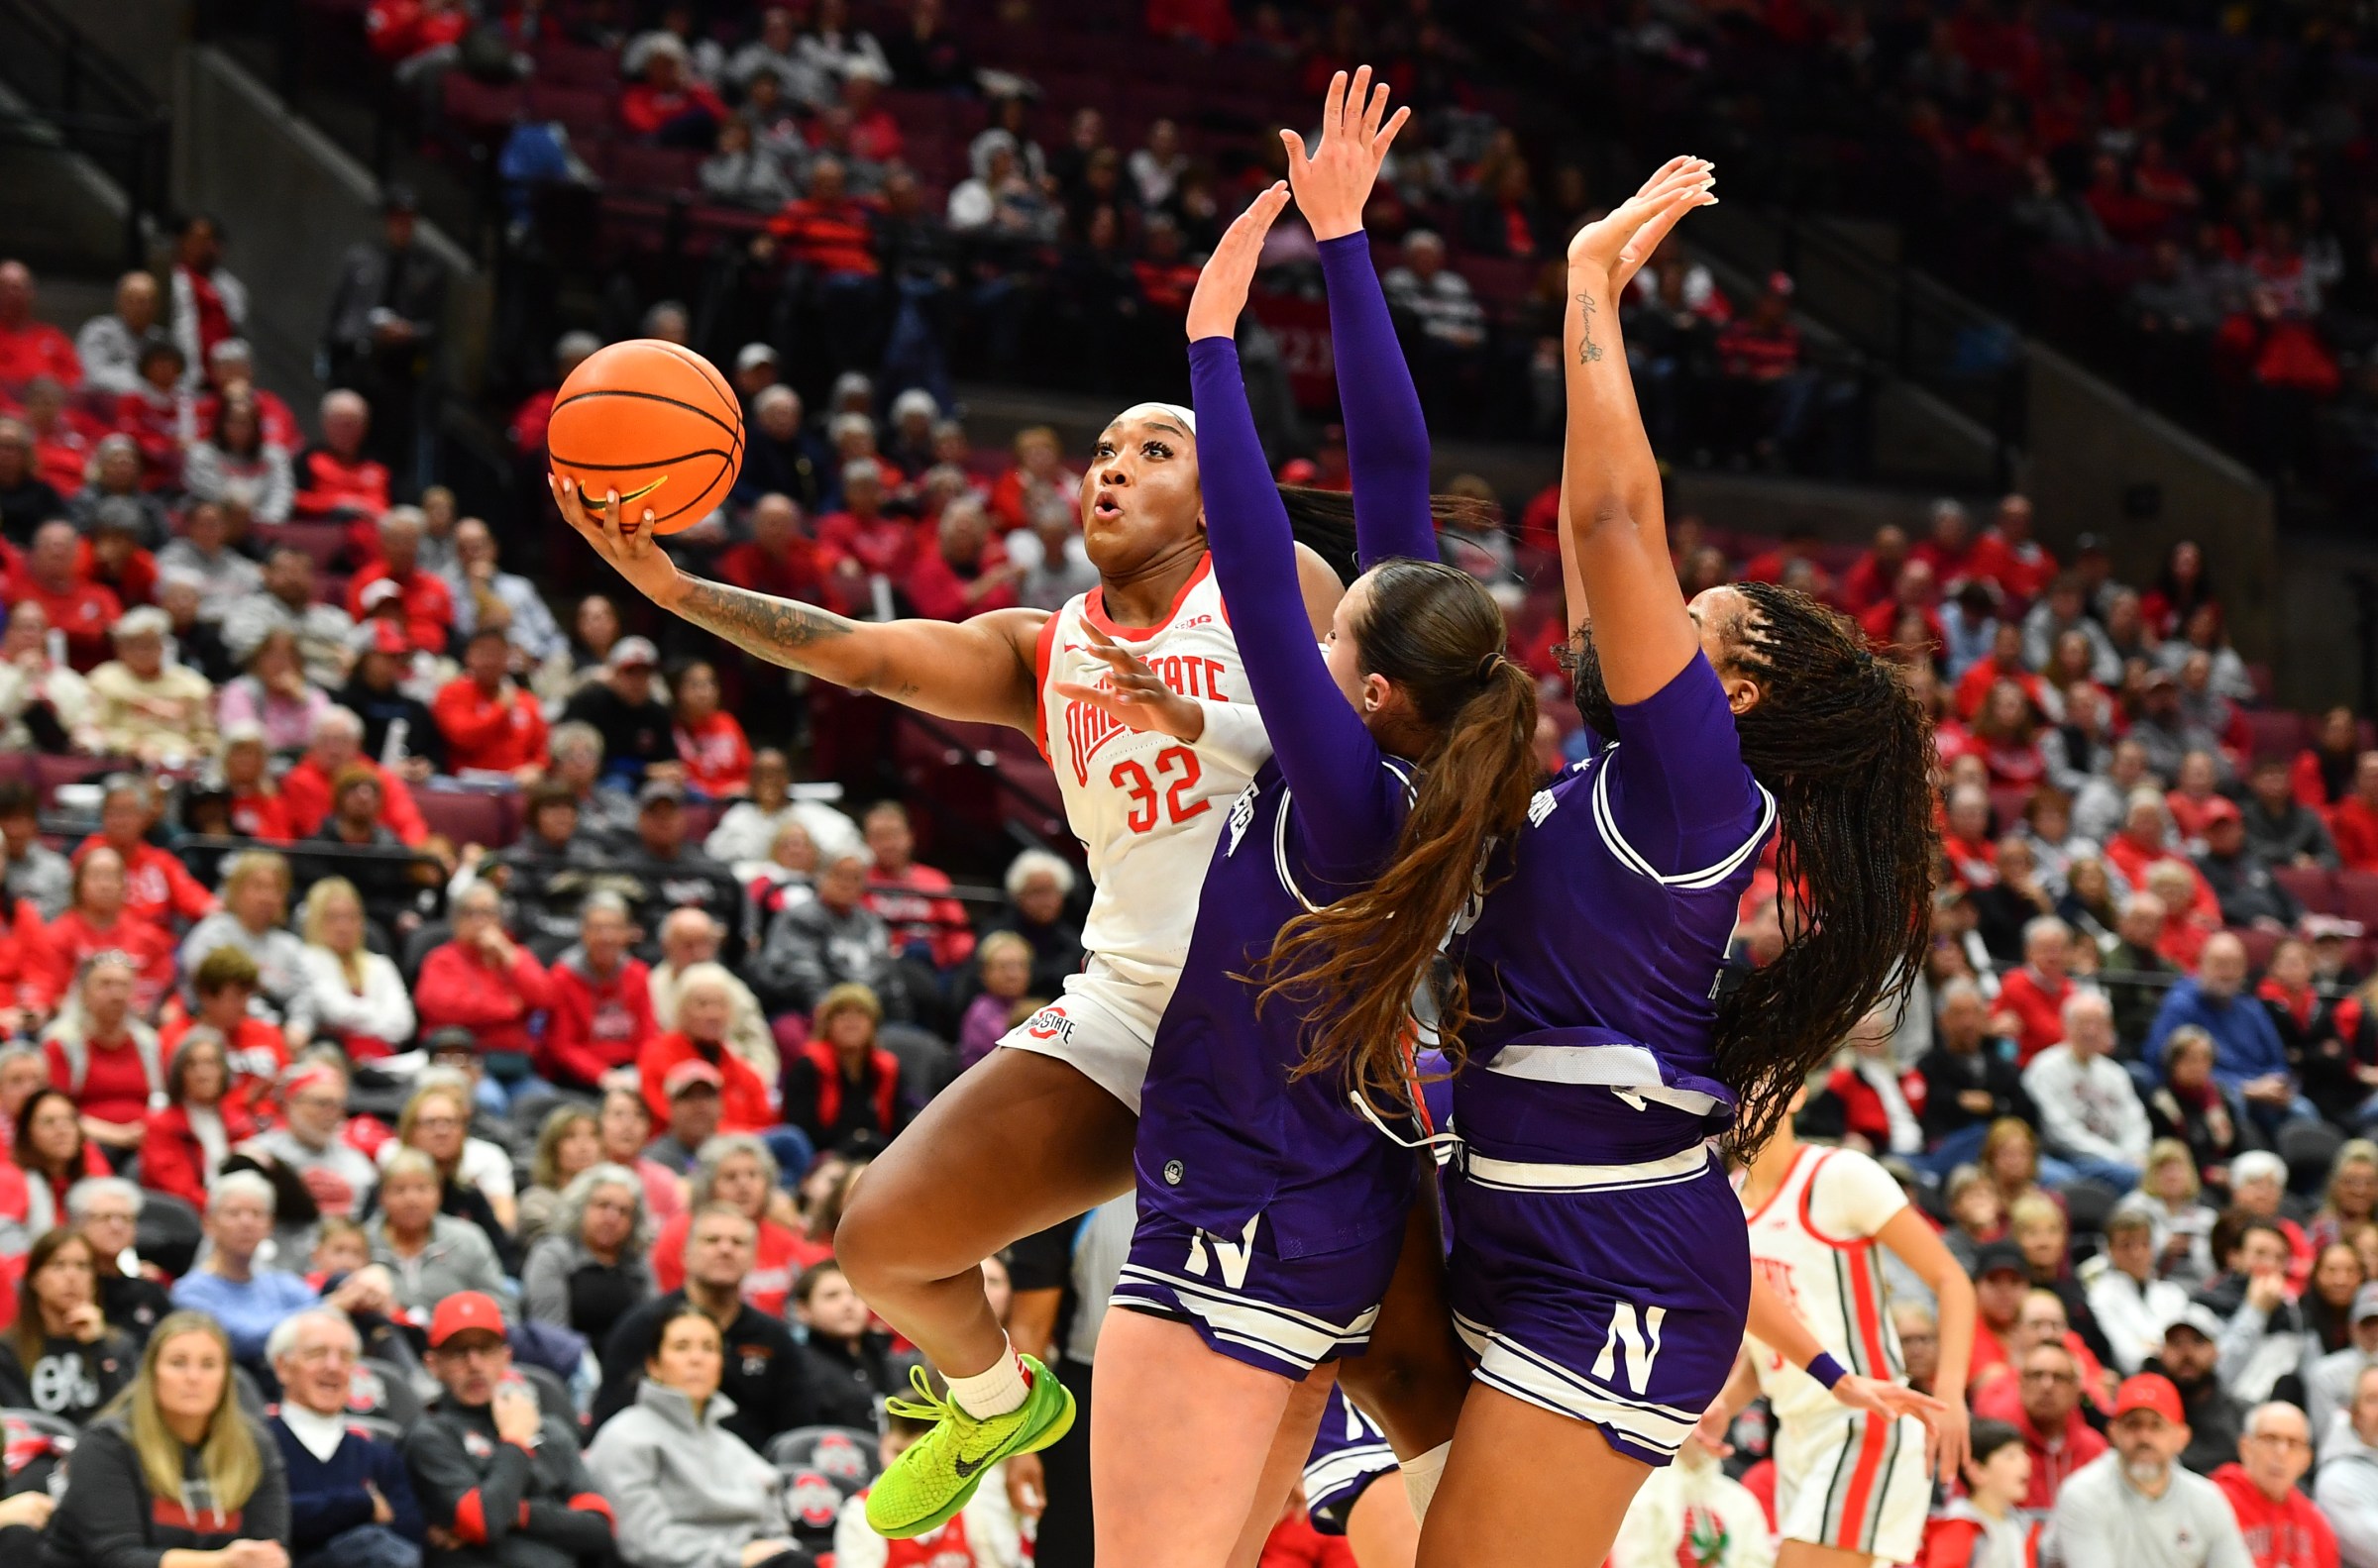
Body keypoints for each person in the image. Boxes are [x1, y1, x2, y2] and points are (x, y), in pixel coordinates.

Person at [558, 56, 1357, 1522]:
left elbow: (1349, 755)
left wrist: (1185, 693)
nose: (1113, 469)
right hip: (1132, 1004)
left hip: (1293, 1021)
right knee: (880, 1240)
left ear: (1218, 484)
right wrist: (674, 586)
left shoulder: (1275, 584)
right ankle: (999, 1400)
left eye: (1155, 448)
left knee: (1259, 1439)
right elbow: (856, 653)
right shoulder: (1036, 644)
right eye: (1104, 452)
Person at [1392, 157, 1930, 1564]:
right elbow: (1600, 526)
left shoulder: (1699, 786)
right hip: (1517, 1211)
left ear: (1733, 694)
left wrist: (1583, 282)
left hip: (1612, 1258)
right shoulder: (1620, 768)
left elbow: (1615, 526)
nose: (1654, 615)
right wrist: (1598, 310)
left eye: (1695, 620)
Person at [1720, 1081, 1975, 1567]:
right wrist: (1727, 1405)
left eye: (1758, 1086)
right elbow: (1775, 1340)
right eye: (1735, 1087)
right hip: (1795, 1434)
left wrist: (1951, 1393)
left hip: (1864, 1421)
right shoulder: (1725, 1200)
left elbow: (1952, 1279)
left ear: (1796, 1093)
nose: (1744, 1102)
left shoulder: (1839, 1176)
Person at [41, 1311, 292, 1568]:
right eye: (178, 1363)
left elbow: (269, 1549)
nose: (193, 1377)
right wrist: (221, 1563)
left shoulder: (255, 1446)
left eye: (208, 1365)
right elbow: (117, 1558)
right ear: (152, 1373)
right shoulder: (105, 1444)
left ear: (227, 1379)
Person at [402, 1291, 616, 1568]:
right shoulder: (430, 1437)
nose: (474, 1364)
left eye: (486, 1349)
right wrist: (515, 1441)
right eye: (458, 1352)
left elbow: (599, 1530)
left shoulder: (548, 1428)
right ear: (433, 1364)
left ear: (506, 1356)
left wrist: (518, 1513)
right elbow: (486, 1521)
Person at [583, 1305, 803, 1568]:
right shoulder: (624, 1437)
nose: (697, 1359)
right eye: (682, 1347)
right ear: (654, 1365)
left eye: (709, 1348)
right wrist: (735, 1559)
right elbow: (642, 1541)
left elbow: (777, 1533)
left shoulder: (736, 1448)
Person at [591, 1204, 816, 1449]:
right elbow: (610, 1422)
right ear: (685, 1255)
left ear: (753, 1260)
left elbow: (798, 1435)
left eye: (738, 1242)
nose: (725, 1249)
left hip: (755, 1473)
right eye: (712, 1240)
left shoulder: (775, 1338)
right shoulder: (642, 1327)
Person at [267, 1307, 426, 1568]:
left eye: (345, 1357)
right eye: (317, 1354)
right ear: (283, 1367)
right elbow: (269, 1521)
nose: (333, 1367)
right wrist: (361, 1504)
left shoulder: (380, 1453)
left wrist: (313, 1516)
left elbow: (409, 1534)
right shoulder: (257, 1443)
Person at [2047, 1373, 2249, 1567]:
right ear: (2113, 1433)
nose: (2144, 1437)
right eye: (2132, 1425)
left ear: (2182, 1437)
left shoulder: (2207, 1499)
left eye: (2156, 1426)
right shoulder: (2084, 1494)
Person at [415, 885, 556, 1104]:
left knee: (546, 1103)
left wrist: (507, 953)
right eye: (471, 913)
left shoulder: (513, 956)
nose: (480, 921)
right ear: (456, 920)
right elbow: (445, 1007)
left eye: (488, 913)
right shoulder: (441, 960)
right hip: (465, 1065)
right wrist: (508, 1008)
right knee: (489, 1100)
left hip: (515, 1064)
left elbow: (545, 997)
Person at [836, 1408, 1026, 1568]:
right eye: (897, 1452)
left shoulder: (971, 1500)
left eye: (916, 1459)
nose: (904, 1468)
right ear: (883, 1444)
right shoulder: (859, 1512)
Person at [169, 1170, 322, 1365]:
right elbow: (240, 1341)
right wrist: (326, 1310)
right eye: (234, 1213)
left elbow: (326, 1319)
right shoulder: (191, 1292)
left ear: (270, 1225)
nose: (246, 1223)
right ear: (209, 1223)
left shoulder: (282, 1284)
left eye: (257, 1214)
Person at [645, 1133, 806, 1315]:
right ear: (708, 1186)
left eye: (753, 1175)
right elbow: (668, 1303)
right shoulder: (678, 1234)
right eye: (730, 1177)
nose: (744, 1185)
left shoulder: (783, 1234)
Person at [180, 851, 317, 1049]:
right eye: (259, 887)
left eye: (276, 889)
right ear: (236, 891)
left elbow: (307, 993)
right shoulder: (213, 934)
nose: (267, 897)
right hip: (223, 1038)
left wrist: (299, 1027)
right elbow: (208, 990)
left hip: (281, 1039)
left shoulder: (288, 945)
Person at [0, 1226, 136, 1424]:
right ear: (34, 1279)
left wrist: (98, 1346)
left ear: (94, 1279)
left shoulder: (118, 1345)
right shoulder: (8, 1349)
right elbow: (20, 1422)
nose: (72, 1277)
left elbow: (127, 1414)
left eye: (82, 1266)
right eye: (58, 1265)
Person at [366, 1147, 512, 1327]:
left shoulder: (467, 1239)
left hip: (457, 1342)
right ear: (381, 1197)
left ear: (438, 1194)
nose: (412, 1199)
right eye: (399, 1190)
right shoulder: (361, 1242)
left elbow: (501, 1308)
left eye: (422, 1188)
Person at [2024, 992, 2152, 1192]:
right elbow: (2059, 1132)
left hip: (2120, 1158)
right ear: (2066, 1025)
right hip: (2069, 1158)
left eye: (2099, 1024)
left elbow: (2135, 1121)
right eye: (2083, 1023)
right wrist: (2118, 1158)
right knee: (2138, 1178)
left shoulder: (2115, 1073)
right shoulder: (2045, 1069)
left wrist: (2134, 1154)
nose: (2091, 1031)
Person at [520, 1163, 656, 1352]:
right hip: (572, 1368)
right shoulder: (553, 1255)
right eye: (602, 1205)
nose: (611, 1218)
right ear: (581, 1207)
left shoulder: (637, 1263)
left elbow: (653, 1327)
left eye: (623, 1211)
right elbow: (550, 1336)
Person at [541, 893, 657, 1097]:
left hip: (631, 1072)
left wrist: (641, 1071)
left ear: (628, 933)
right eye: (598, 928)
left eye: (615, 928)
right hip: (579, 1079)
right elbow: (562, 1045)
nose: (606, 937)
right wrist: (601, 1075)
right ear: (583, 932)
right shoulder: (562, 977)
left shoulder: (638, 973)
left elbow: (648, 1035)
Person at [781, 983, 909, 1154]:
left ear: (873, 1025)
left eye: (860, 1013)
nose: (851, 1020)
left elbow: (898, 1130)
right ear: (827, 1024)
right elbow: (800, 1131)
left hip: (879, 1159)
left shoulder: (888, 1070)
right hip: (824, 1160)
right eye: (841, 1013)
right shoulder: (808, 1067)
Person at [295, 878, 414, 1060]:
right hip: (331, 1058)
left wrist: (355, 1019)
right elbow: (336, 1012)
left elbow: (404, 1024)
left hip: (383, 1059)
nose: (343, 927)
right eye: (332, 917)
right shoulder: (308, 959)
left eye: (351, 917)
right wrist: (378, 1011)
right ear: (315, 920)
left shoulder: (381, 965)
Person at [140, 1029, 258, 1208]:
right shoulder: (161, 1124)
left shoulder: (240, 1122)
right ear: (179, 1073)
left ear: (223, 1070)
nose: (202, 1074)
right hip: (186, 1217)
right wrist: (220, 1210)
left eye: (211, 1063)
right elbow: (176, 1188)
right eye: (192, 1065)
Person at [2213, 1402, 2335, 1568]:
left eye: (2293, 1443)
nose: (2281, 1453)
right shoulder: (2215, 1503)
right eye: (2270, 1439)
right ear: (2245, 1447)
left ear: (2306, 1460)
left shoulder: (2315, 1523)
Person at [793, 1260, 910, 1430]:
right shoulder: (797, 1370)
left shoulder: (892, 1362)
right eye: (832, 1296)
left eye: (855, 1293)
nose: (848, 1304)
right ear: (803, 1310)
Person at [1924, 1417, 2042, 1568]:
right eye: (2010, 1456)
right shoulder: (1958, 1523)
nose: (2025, 1462)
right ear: (1976, 1471)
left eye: (2024, 1454)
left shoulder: (2022, 1526)